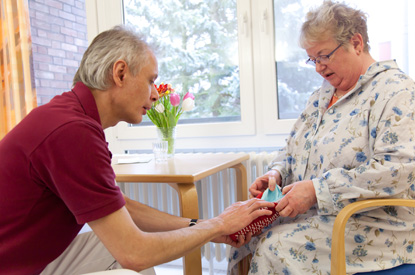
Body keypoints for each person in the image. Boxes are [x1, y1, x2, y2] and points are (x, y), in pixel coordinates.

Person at [0, 25, 276, 275]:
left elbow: (122, 208)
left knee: (115, 247)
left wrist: (202, 226)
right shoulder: (72, 132)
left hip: (24, 259)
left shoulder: (72, 117)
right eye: (150, 81)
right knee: (132, 265)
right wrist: (219, 225)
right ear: (120, 73)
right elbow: (135, 253)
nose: (155, 94)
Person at [228, 1, 415, 274]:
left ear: (357, 43)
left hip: (374, 225)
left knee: (275, 246)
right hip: (321, 216)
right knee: (241, 232)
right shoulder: (322, 95)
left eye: (324, 56)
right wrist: (276, 173)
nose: (318, 67)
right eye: (312, 59)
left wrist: (317, 190)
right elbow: (292, 147)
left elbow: (399, 170)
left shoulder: (397, 92)